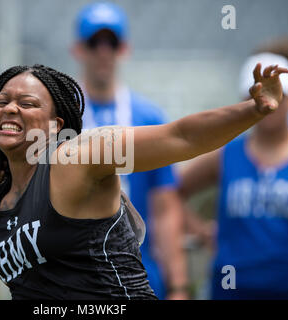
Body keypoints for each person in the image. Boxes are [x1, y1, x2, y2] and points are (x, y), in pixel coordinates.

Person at [0, 60, 288, 300]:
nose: (9, 108)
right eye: (2, 101)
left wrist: (254, 110)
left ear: (57, 125)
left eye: (27, 103)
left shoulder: (76, 158)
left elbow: (180, 137)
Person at [70, 2, 188, 299]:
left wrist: (178, 286)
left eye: (112, 42)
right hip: (74, 277)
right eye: (94, 42)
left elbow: (165, 206)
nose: (103, 51)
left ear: (125, 49)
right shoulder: (63, 117)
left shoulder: (148, 117)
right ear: (78, 49)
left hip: (138, 272)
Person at [178, 53, 288, 299]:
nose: (270, 102)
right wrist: (202, 231)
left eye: (280, 93)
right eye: (257, 94)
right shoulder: (228, 155)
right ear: (244, 101)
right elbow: (171, 188)